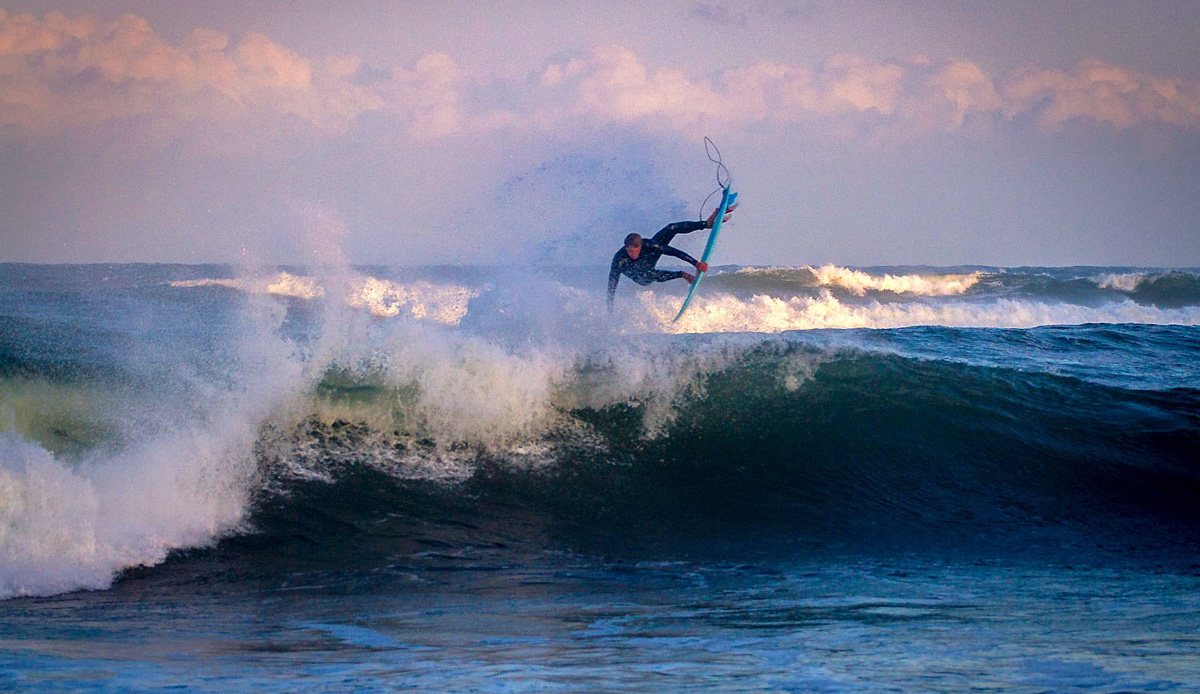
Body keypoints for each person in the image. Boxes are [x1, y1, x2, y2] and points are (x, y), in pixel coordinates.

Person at [606, 203, 736, 311]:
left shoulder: (648, 245)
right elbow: (612, 284)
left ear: (640, 246)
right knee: (649, 274)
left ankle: (706, 224)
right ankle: (682, 275)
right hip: (641, 276)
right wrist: (610, 311)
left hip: (649, 259)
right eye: (630, 251)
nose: (632, 254)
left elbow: (672, 251)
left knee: (671, 228)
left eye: (635, 251)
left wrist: (696, 264)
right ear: (625, 248)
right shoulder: (619, 259)